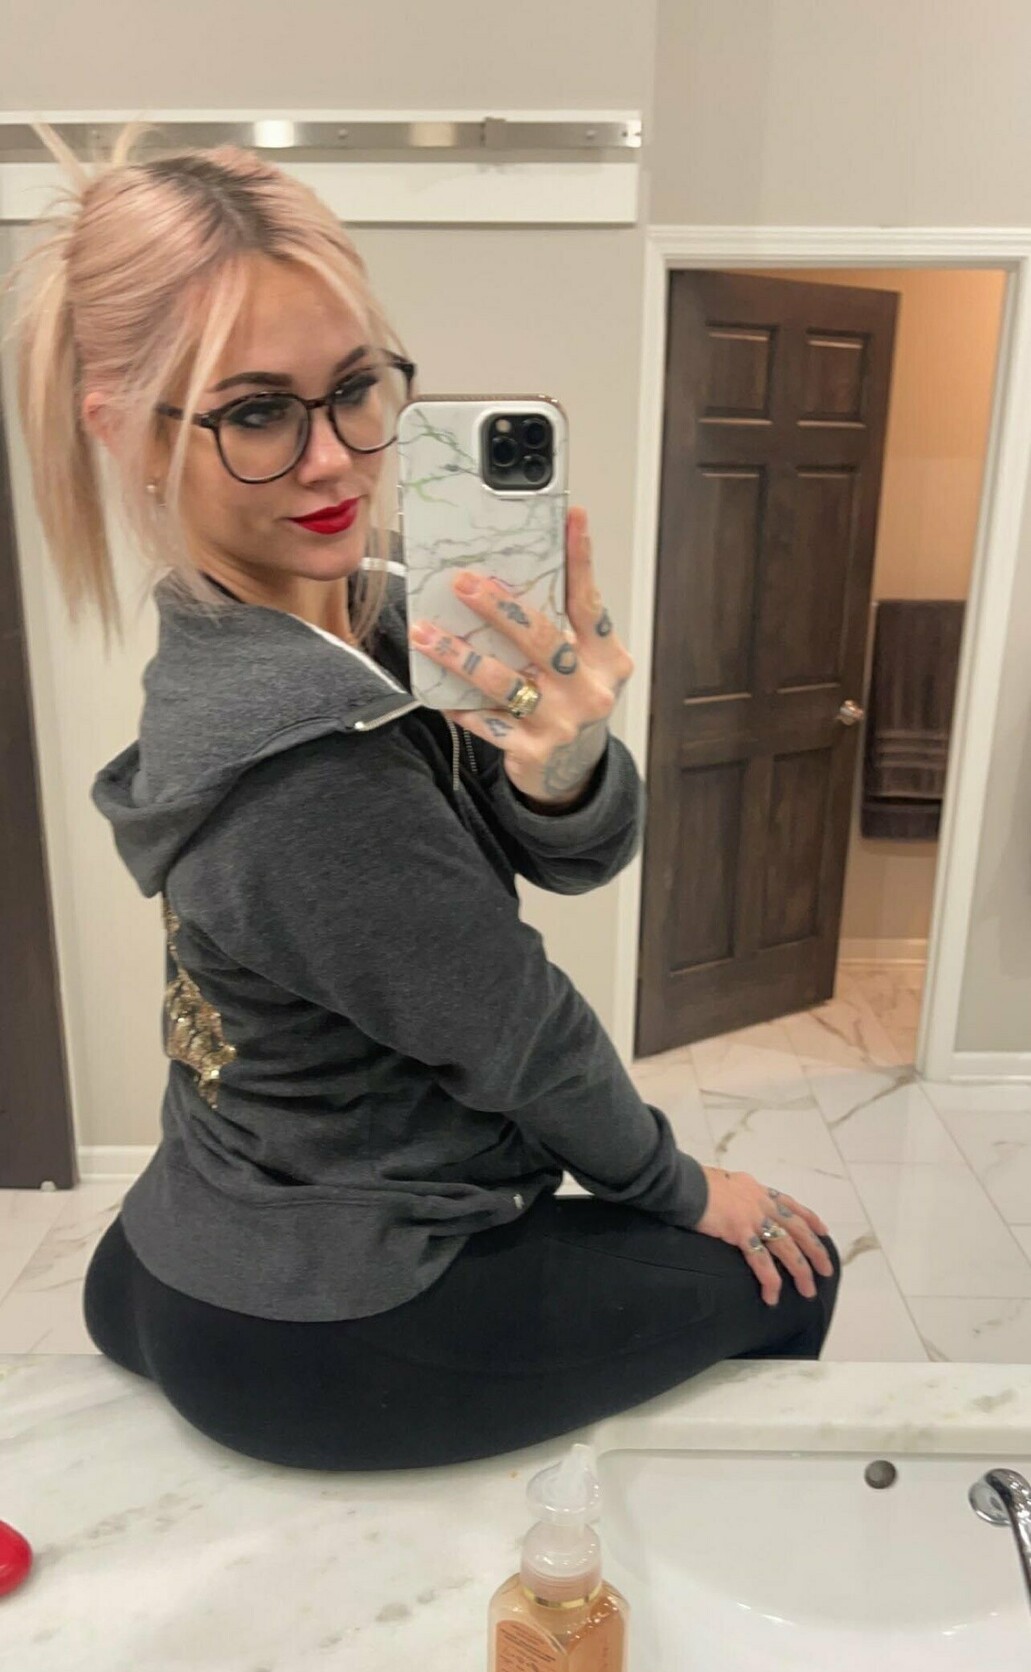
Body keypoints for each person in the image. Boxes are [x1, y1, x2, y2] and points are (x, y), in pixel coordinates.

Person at [8, 125, 840, 1472]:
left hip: (180, 1233)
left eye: (354, 390)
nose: (336, 460)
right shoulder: (307, 762)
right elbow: (519, 1037)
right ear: (124, 431)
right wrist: (687, 1188)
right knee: (795, 1267)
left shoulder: (365, 614)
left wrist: (561, 765)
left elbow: (576, 858)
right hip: (323, 1315)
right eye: (257, 412)